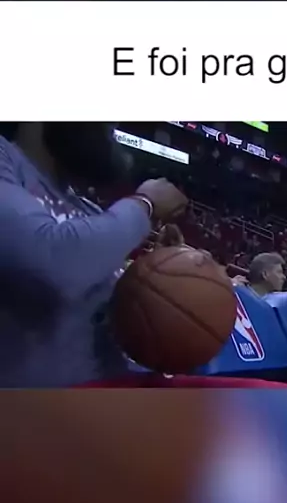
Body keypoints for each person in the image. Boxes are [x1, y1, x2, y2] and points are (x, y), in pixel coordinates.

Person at [0, 123, 187, 388]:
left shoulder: (89, 210)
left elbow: (122, 329)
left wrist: (160, 274)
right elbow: (53, 262)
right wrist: (145, 204)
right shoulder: (7, 161)